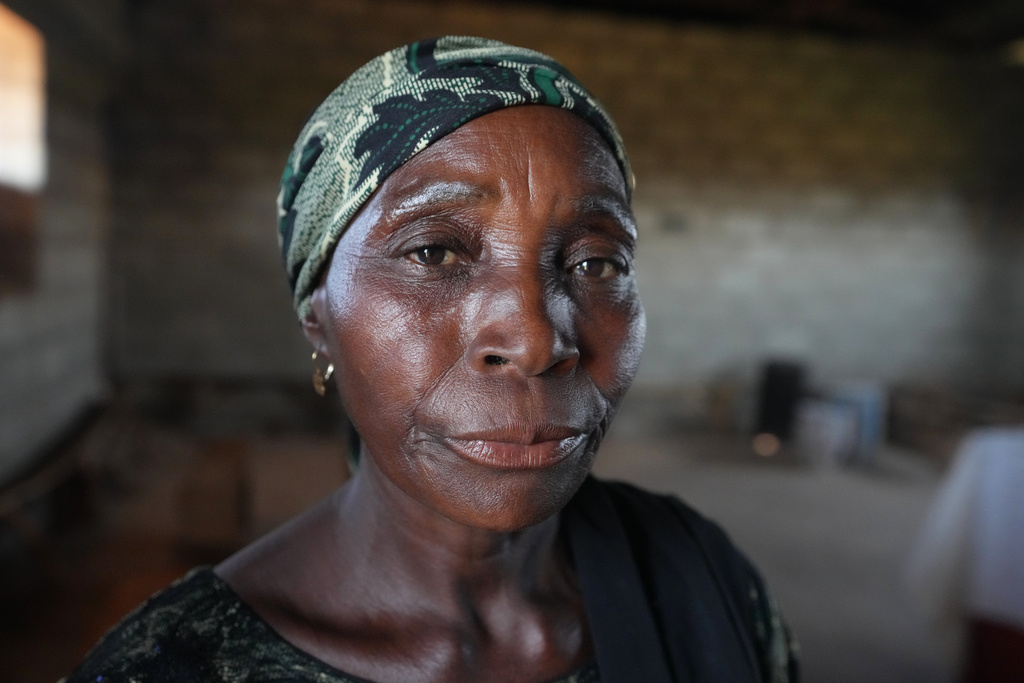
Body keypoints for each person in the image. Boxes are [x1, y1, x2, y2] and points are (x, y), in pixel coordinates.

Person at [66, 36, 798, 683]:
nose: (538, 339)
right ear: (318, 318)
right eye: (435, 251)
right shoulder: (176, 665)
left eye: (597, 262)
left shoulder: (707, 583)